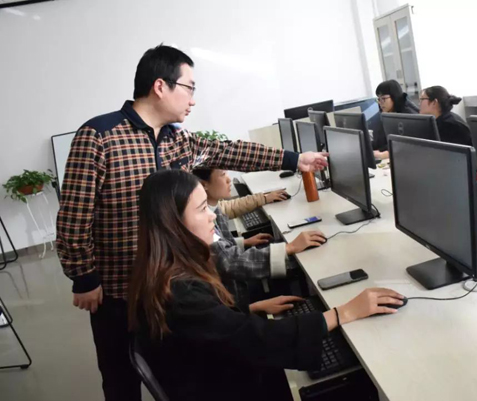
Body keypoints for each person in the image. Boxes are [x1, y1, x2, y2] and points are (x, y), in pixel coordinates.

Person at [56, 44, 328, 401]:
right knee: (120, 378)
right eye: (189, 88)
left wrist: (294, 159)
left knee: (175, 367)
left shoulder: (177, 140)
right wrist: (84, 277)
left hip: (170, 285)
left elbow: (229, 151)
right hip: (118, 289)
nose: (193, 100)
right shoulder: (99, 136)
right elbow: (73, 218)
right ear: (160, 86)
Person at [128, 169, 406, 401]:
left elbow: (209, 328)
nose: (213, 215)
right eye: (202, 209)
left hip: (209, 375)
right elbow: (257, 341)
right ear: (173, 223)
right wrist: (342, 313)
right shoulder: (181, 292)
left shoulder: (166, 269)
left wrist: (251, 308)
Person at [193, 168, 327, 305]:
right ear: (204, 185)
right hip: (234, 299)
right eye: (223, 175)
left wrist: (243, 242)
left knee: (285, 253)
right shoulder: (203, 221)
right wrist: (289, 247)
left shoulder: (212, 209)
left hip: (235, 297)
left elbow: (220, 247)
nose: (229, 179)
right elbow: (230, 262)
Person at [372, 80, 419, 160]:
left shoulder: (408, 115)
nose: (380, 103)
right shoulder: (386, 114)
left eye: (383, 98)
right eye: (378, 99)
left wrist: (383, 153)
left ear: (394, 97)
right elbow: (379, 141)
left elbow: (406, 145)